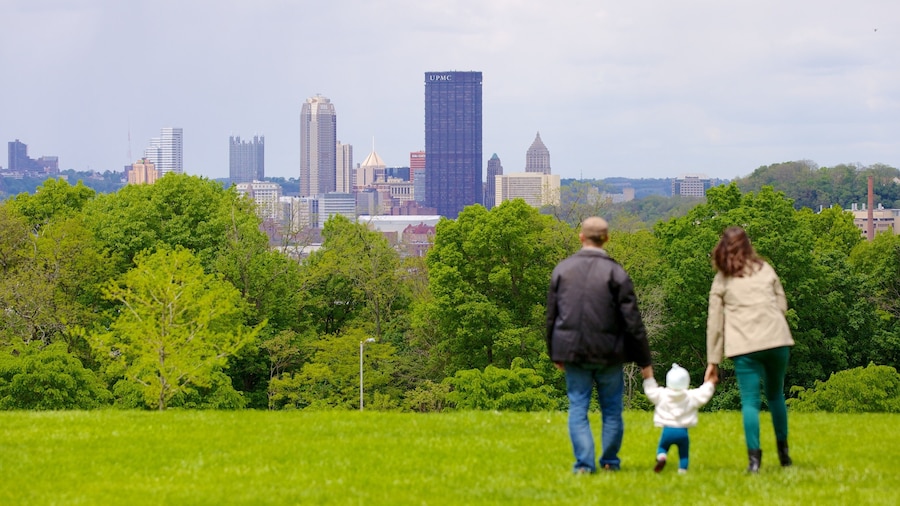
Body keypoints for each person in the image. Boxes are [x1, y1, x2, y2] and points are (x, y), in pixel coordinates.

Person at [546, 216, 654, 474]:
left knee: (578, 406)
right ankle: (609, 462)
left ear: (581, 237)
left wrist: (554, 352)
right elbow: (633, 321)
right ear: (606, 239)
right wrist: (644, 362)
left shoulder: (562, 270)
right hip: (609, 352)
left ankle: (584, 464)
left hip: (572, 349)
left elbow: (551, 316)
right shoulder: (616, 272)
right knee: (612, 409)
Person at [704, 226, 795, 473]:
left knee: (751, 403)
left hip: (744, 346)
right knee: (776, 395)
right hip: (777, 340)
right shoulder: (764, 268)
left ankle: (754, 462)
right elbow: (782, 304)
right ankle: (784, 455)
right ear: (748, 245)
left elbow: (715, 323)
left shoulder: (722, 278)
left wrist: (713, 362)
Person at [643, 363, 715, 474]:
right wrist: (710, 383)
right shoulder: (691, 396)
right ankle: (682, 472)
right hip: (683, 432)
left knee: (662, 447)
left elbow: (651, 391)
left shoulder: (662, 394)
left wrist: (648, 378)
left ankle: (662, 457)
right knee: (683, 455)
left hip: (667, 431)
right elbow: (704, 394)